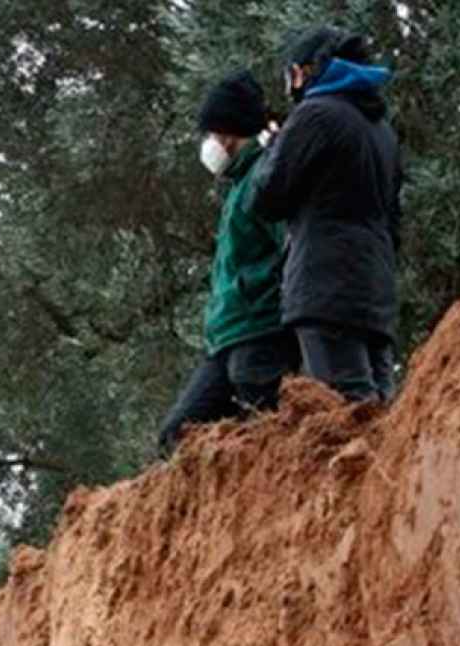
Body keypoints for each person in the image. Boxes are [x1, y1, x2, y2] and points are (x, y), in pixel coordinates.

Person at [251, 26, 403, 403]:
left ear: (306, 71)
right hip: (375, 287)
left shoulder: (315, 115)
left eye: (292, 75)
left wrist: (274, 147)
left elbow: (266, 198)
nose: (290, 86)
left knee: (347, 414)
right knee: (381, 411)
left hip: (325, 284)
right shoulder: (382, 130)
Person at [159, 69, 299, 456]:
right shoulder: (239, 186)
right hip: (225, 340)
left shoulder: (262, 178)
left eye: (211, 133)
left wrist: (264, 298)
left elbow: (292, 250)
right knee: (178, 435)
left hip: (260, 331)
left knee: (267, 435)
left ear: (228, 132)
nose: (208, 143)